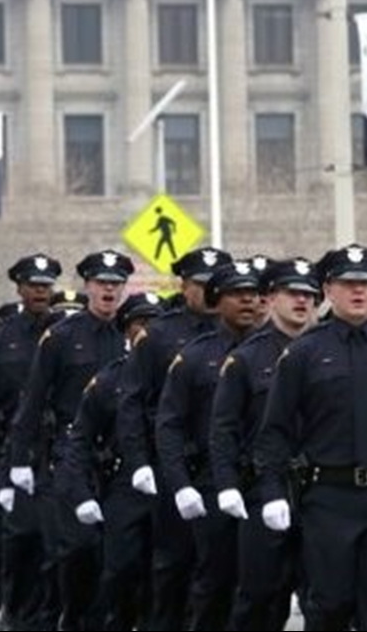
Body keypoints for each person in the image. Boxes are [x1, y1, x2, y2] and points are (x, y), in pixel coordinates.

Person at [256, 244, 367, 631]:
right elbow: (275, 429)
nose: (359, 292)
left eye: (366, 284)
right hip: (328, 498)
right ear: (328, 289)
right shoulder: (304, 352)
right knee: (329, 603)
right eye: (348, 283)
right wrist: (272, 490)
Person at [8, 249, 134, 631]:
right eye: (101, 284)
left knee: (113, 555)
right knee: (75, 548)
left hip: (121, 455)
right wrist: (17, 460)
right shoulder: (61, 336)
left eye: (116, 284)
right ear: (88, 286)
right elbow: (32, 400)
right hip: (69, 455)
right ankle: (67, 617)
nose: (109, 291)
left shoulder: (133, 334)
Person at [116, 246, 231, 630]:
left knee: (221, 569)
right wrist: (139, 463)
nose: (213, 292)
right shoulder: (159, 336)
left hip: (227, 470)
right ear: (184, 286)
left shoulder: (239, 333)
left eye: (220, 284)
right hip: (174, 467)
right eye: (203, 284)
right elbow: (132, 402)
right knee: (172, 565)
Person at [210, 258, 321, 631]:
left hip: (321, 490)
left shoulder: (329, 351)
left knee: (323, 598)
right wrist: (227, 485)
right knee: (259, 597)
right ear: (271, 297)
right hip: (262, 487)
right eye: (293, 293)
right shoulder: (246, 358)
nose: (302, 301)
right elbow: (223, 427)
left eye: (309, 294)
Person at [156, 261, 266, 631]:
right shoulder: (194, 357)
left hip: (265, 483)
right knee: (214, 582)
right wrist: (181, 485)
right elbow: (169, 424)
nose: (248, 301)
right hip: (211, 484)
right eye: (238, 295)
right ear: (218, 301)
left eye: (253, 294)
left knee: (263, 586)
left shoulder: (276, 351)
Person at [0, 253, 62, 631]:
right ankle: (6, 611)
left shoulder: (66, 333)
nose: (40, 291)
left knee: (54, 544)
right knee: (13, 542)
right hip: (11, 453)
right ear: (19, 289)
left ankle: (42, 617)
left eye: (46, 286)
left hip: (56, 453)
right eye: (33, 285)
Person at [58, 292, 165, 630]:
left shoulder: (178, 372)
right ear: (126, 331)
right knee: (119, 567)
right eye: (140, 323)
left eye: (154, 322)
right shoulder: (108, 380)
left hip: (172, 479)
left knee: (166, 573)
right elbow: (80, 440)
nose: (147, 330)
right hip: (124, 483)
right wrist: (81, 494)